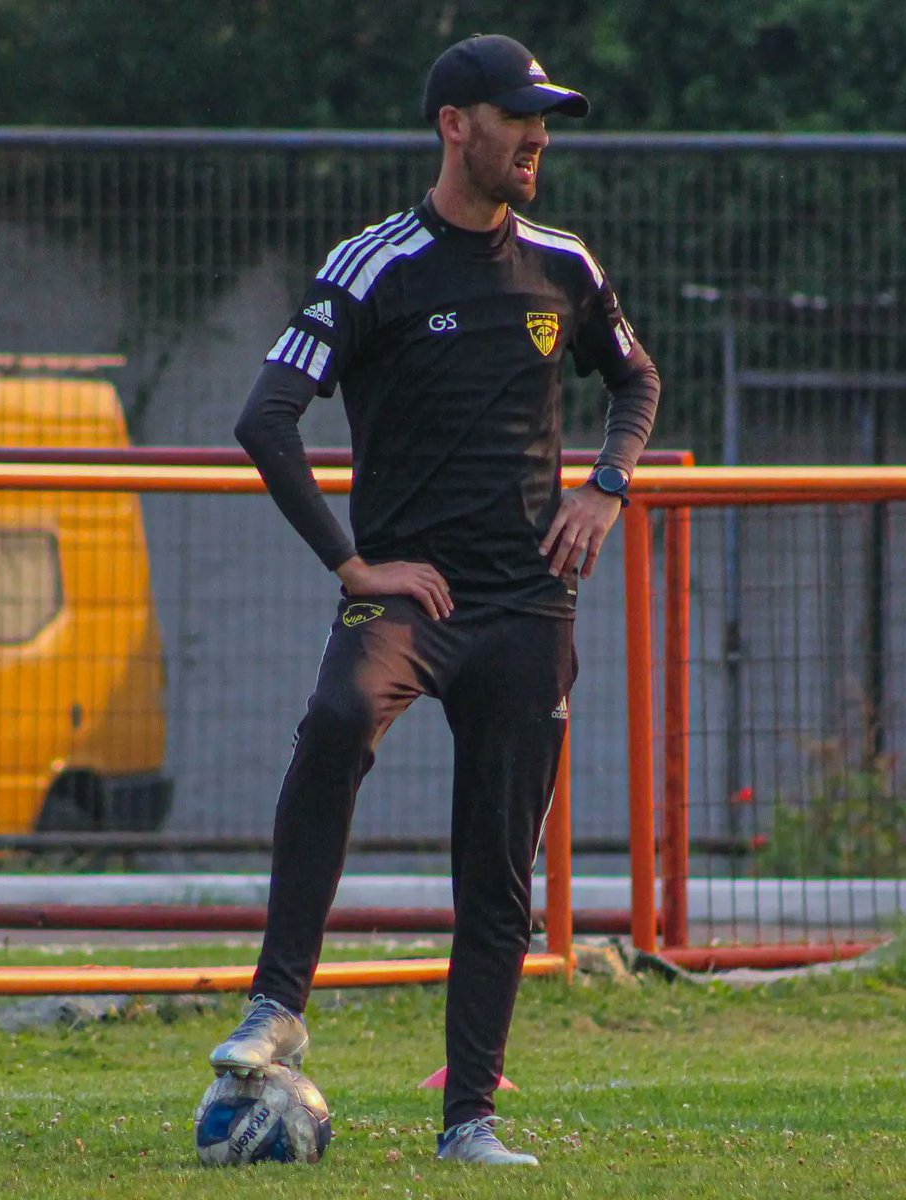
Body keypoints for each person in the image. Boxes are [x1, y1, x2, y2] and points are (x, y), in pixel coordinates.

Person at [214, 32, 660, 1166]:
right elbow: (265, 419)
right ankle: (276, 1008)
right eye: (519, 118)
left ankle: (470, 1121)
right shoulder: (374, 265)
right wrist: (351, 563)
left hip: (526, 610)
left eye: (545, 119)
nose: (538, 139)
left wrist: (605, 490)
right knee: (336, 719)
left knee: (497, 863)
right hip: (406, 599)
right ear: (456, 125)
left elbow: (636, 379)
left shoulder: (564, 262)